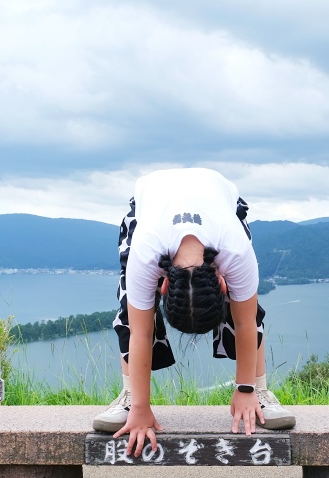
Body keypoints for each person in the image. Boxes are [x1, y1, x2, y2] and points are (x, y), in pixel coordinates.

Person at [92, 168, 295, 456]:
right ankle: (129, 395)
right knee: (130, 310)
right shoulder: (146, 250)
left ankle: (259, 390)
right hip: (149, 208)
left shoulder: (233, 249)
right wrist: (140, 408)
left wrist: (245, 388)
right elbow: (141, 330)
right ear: (162, 287)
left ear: (222, 283)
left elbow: (246, 320)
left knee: (248, 308)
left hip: (220, 204)